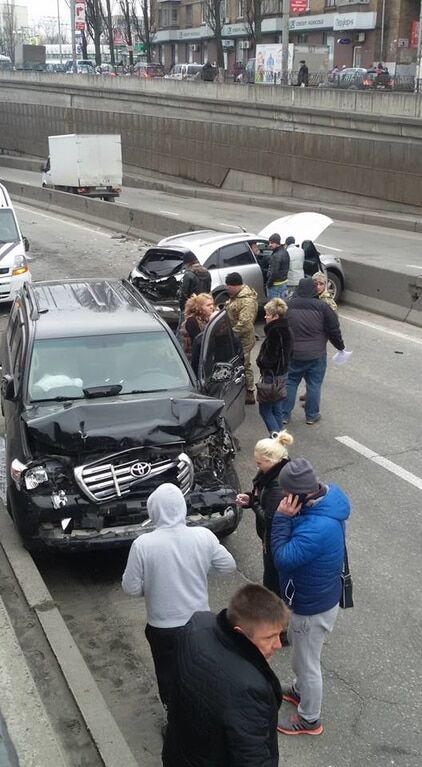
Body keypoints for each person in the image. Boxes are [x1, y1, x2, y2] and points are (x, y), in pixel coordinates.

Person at [121, 483, 236, 709]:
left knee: (168, 676)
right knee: (200, 672)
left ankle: (174, 719)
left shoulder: (143, 545)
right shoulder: (203, 536)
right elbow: (228, 565)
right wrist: (201, 569)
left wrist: (153, 586)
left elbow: (130, 587)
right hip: (200, 623)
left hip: (162, 627)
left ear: (153, 511)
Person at [162, 584, 289, 766]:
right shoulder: (249, 689)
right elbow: (254, 758)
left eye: (279, 635)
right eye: (269, 637)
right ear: (240, 633)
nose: (278, 645)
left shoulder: (197, 625)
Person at [272, 458, 351, 735]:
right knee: (300, 651)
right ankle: (299, 689)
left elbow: (282, 558)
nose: (282, 496)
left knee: (308, 663)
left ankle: (309, 719)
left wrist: (282, 519)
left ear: (298, 496)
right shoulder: (328, 498)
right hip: (317, 596)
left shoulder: (315, 529)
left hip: (311, 605)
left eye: (285, 492)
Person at [281, 277, 345, 425]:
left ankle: (284, 415)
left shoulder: (288, 306)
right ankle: (312, 415)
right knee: (314, 384)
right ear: (314, 289)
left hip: (293, 354)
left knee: (290, 383)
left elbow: (281, 329)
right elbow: (334, 329)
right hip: (316, 354)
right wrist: (340, 347)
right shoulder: (323, 307)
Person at [236, 430, 293, 594]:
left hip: (273, 539)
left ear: (271, 461)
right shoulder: (270, 472)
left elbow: (270, 519)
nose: (257, 466)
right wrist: (250, 498)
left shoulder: (277, 485)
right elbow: (262, 499)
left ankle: (272, 604)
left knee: (272, 577)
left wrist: (253, 503)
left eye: (259, 463)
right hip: (270, 536)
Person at [256, 297, 292, 433]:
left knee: (265, 410)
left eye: (268, 314)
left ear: (276, 316)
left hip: (272, 376)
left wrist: (260, 362)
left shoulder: (274, 332)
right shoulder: (286, 329)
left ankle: (276, 441)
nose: (265, 316)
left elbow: (269, 357)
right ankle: (282, 438)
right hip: (282, 374)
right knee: (277, 409)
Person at [225, 272, 258, 404]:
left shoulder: (246, 301)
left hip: (243, 339)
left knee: (244, 365)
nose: (227, 289)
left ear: (235, 285)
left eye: (229, 286)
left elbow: (245, 323)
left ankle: (249, 392)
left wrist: (231, 333)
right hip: (236, 338)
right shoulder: (237, 296)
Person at [180, 292, 215, 361]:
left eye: (212, 304)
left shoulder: (207, 318)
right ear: (199, 307)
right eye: (208, 305)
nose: (212, 307)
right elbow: (199, 342)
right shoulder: (192, 321)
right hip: (194, 359)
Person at [266, 233, 289, 300]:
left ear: (277, 243)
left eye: (272, 243)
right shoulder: (285, 252)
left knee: (273, 307)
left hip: (275, 285)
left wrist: (268, 284)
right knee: (281, 306)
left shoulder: (276, 255)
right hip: (284, 283)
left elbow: (274, 273)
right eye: (269, 242)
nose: (269, 245)